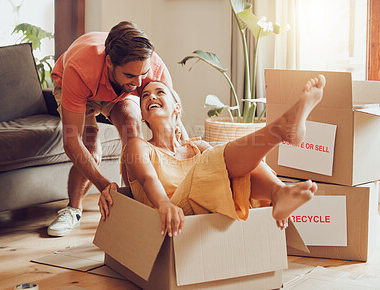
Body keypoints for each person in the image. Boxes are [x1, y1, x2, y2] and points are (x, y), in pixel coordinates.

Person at [100, 75, 326, 237]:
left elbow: (237, 165)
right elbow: (149, 179)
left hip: (211, 208)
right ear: (143, 117)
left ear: (177, 108)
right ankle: (280, 130)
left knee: (229, 163)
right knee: (215, 159)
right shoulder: (138, 147)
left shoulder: (198, 146)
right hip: (172, 216)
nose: (151, 97)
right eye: (145, 96)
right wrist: (165, 205)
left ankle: (279, 192)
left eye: (160, 92)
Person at [47, 21, 187, 237]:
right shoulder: (80, 69)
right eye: (131, 76)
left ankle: (131, 205)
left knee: (133, 134)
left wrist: (187, 151)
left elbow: (174, 123)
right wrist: (104, 185)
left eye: (143, 74)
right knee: (89, 147)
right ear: (110, 62)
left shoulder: (152, 69)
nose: (140, 82)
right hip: (78, 87)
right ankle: (73, 209)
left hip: (119, 93)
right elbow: (71, 142)